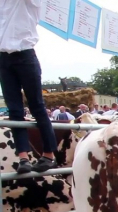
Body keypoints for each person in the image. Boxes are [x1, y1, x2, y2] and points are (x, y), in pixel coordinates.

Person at [0, 0, 59, 174]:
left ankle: (49, 154)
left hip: (25, 54)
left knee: (37, 106)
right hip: (3, 58)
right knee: (14, 110)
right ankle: (23, 157)